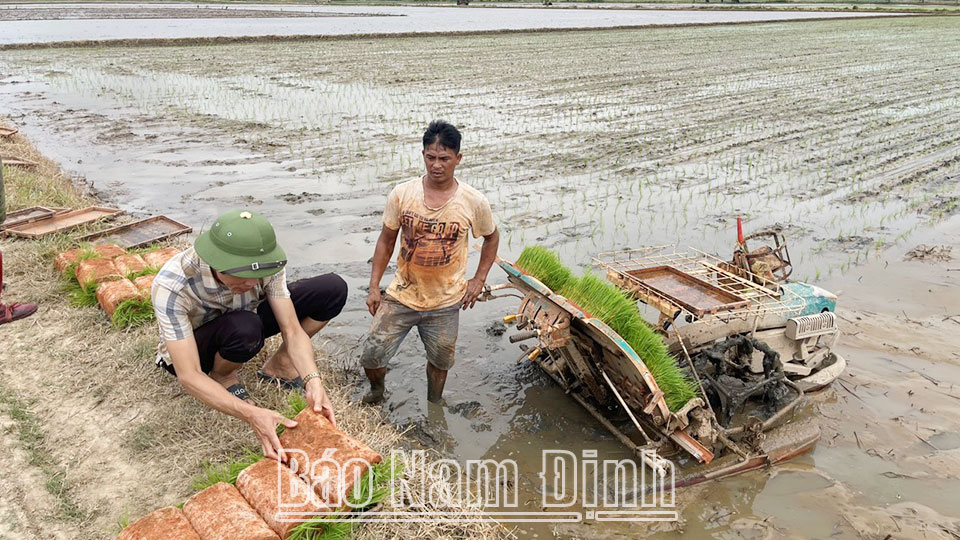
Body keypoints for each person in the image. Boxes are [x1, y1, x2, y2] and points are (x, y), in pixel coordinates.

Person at [151, 209, 347, 460]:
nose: (253, 284)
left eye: (257, 277)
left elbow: (291, 330)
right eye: (243, 278)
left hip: (245, 320)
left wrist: (313, 380)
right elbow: (189, 375)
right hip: (197, 347)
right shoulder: (172, 284)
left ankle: (280, 365)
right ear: (216, 264)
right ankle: (223, 376)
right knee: (245, 327)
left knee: (331, 289)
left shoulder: (264, 265)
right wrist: (251, 414)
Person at [361, 120, 499, 404]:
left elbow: (492, 238)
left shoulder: (474, 201)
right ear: (423, 155)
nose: (437, 165)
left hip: (446, 301)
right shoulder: (403, 194)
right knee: (373, 355)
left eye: (444, 159)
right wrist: (374, 286)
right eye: (430, 157)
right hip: (402, 294)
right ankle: (377, 393)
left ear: (458, 159)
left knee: (440, 361)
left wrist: (478, 280)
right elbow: (386, 240)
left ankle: (434, 404)